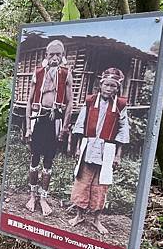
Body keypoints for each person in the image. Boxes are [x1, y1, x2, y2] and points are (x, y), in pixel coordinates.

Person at [68, 68, 130, 235]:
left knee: (100, 185)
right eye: (106, 85)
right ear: (100, 85)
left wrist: (118, 155)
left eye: (113, 86)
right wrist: (78, 146)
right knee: (82, 181)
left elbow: (123, 130)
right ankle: (79, 215)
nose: (109, 89)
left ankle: (96, 219)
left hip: (107, 150)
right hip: (88, 146)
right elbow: (80, 124)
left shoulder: (120, 105)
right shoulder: (90, 101)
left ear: (117, 88)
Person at [24, 39, 74, 216]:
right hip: (38, 119)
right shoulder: (37, 73)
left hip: (56, 121)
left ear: (62, 56)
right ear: (46, 55)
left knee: (48, 161)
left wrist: (65, 128)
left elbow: (70, 103)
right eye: (51, 54)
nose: (54, 58)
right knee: (34, 158)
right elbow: (29, 102)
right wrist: (28, 127)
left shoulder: (66, 74)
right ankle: (32, 195)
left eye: (58, 54)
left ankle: (43, 198)